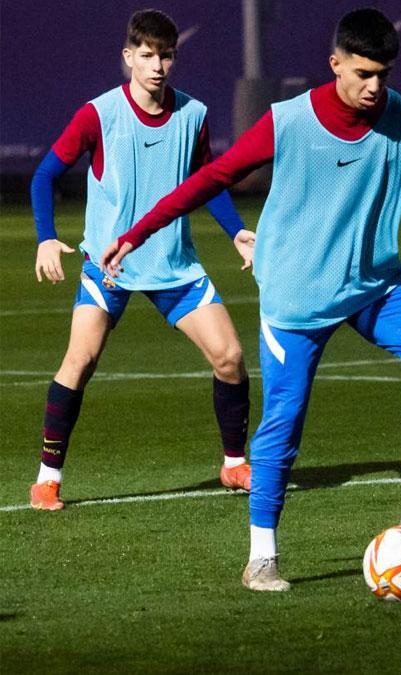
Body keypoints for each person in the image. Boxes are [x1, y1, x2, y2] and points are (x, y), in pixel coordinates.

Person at [101, 8, 401, 592]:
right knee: (284, 425)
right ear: (335, 65)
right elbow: (211, 178)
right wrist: (135, 233)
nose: (375, 86)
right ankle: (262, 557)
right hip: (297, 294)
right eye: (363, 73)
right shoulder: (288, 122)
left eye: (384, 73)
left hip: (374, 282)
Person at [29, 9, 255, 511]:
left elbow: (206, 180)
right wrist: (46, 237)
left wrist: (237, 231)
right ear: (128, 57)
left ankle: (235, 464)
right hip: (109, 267)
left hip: (174, 265)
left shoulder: (193, 114)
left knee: (231, 358)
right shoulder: (99, 114)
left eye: (166, 55)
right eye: (147, 55)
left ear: (175, 57)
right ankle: (47, 477)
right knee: (80, 360)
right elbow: (44, 175)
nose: (157, 65)